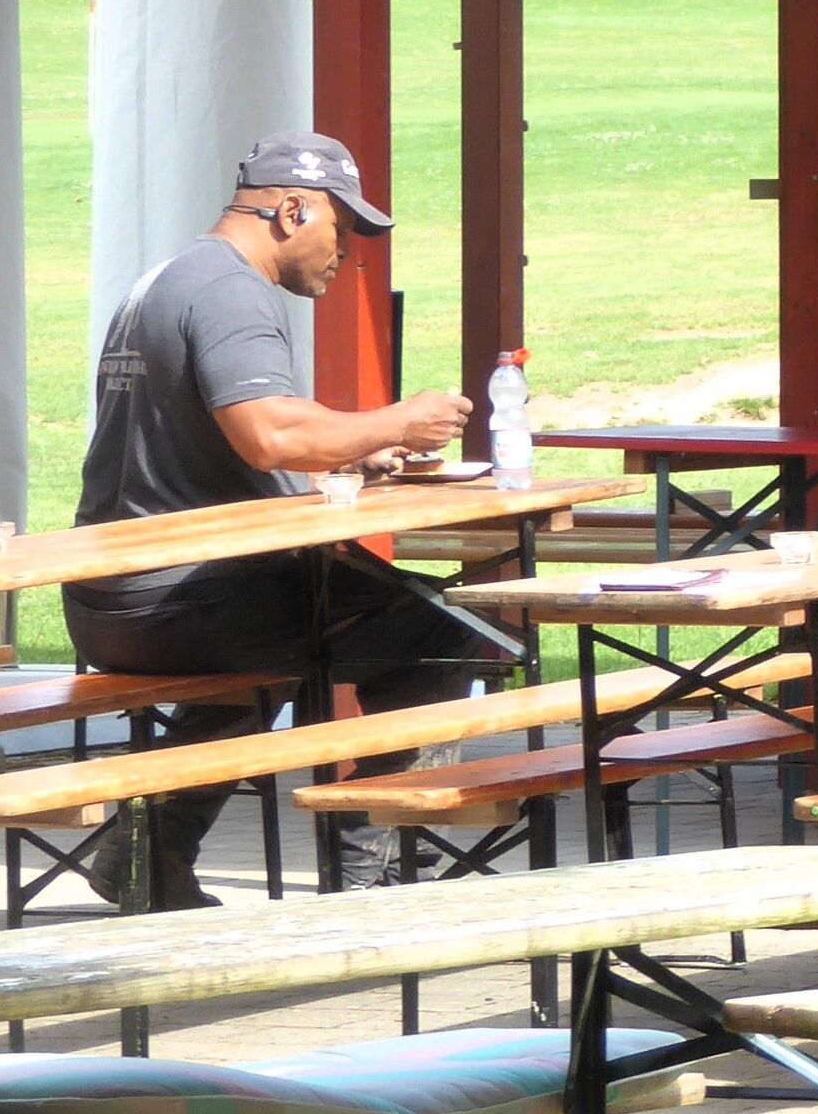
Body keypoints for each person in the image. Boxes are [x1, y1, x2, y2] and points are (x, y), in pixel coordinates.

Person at [66, 133, 496, 907]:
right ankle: (368, 876)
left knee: (286, 644)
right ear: (293, 210)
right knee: (445, 633)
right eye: (343, 228)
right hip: (182, 599)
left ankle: (148, 851)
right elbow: (266, 432)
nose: (348, 252)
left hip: (113, 599)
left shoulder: (170, 278)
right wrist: (398, 421)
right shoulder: (231, 292)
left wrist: (348, 453)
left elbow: (205, 446)